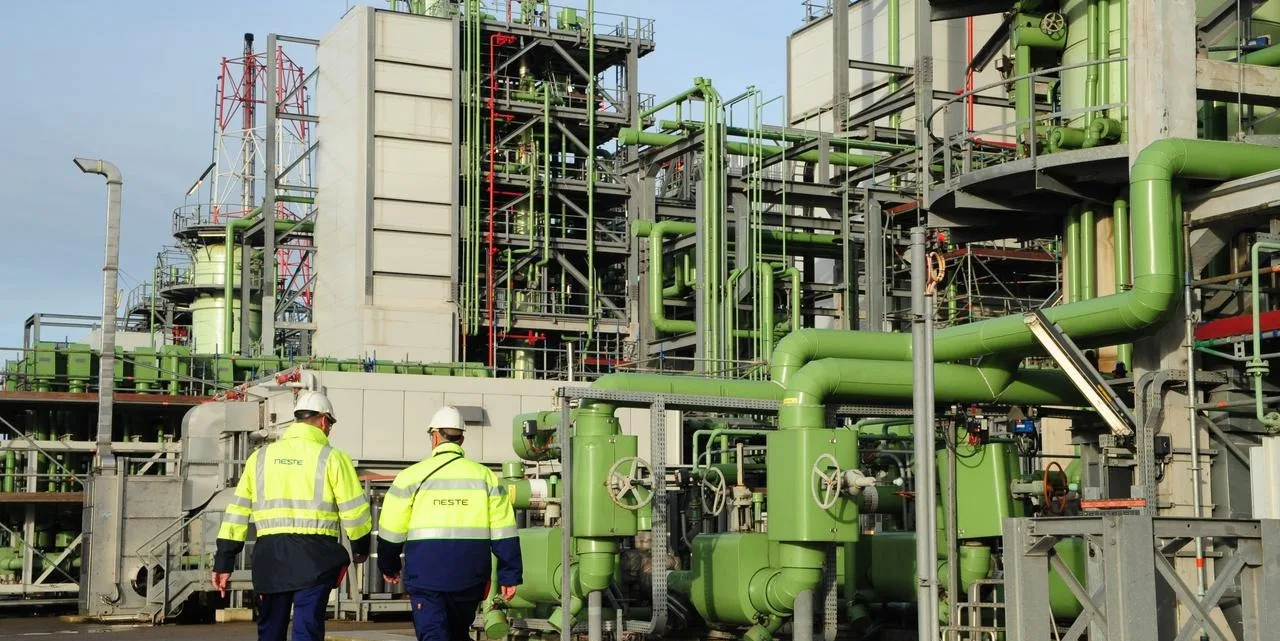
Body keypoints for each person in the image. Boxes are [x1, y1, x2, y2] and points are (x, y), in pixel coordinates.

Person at [212, 390, 373, 641]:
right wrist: (360, 548)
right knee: (307, 628)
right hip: (316, 558)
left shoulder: (260, 457)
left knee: (270, 631)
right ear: (323, 421)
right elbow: (355, 511)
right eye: (330, 424)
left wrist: (224, 561)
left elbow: (237, 512)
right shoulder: (332, 458)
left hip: (270, 558)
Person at [378, 406, 523, 641]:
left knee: (433, 634)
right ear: (462, 439)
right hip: (470, 575)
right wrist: (510, 575)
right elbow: (504, 531)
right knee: (458, 633)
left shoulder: (411, 476)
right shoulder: (485, 476)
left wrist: (388, 565)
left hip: (427, 574)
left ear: (434, 436)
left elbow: (391, 530)